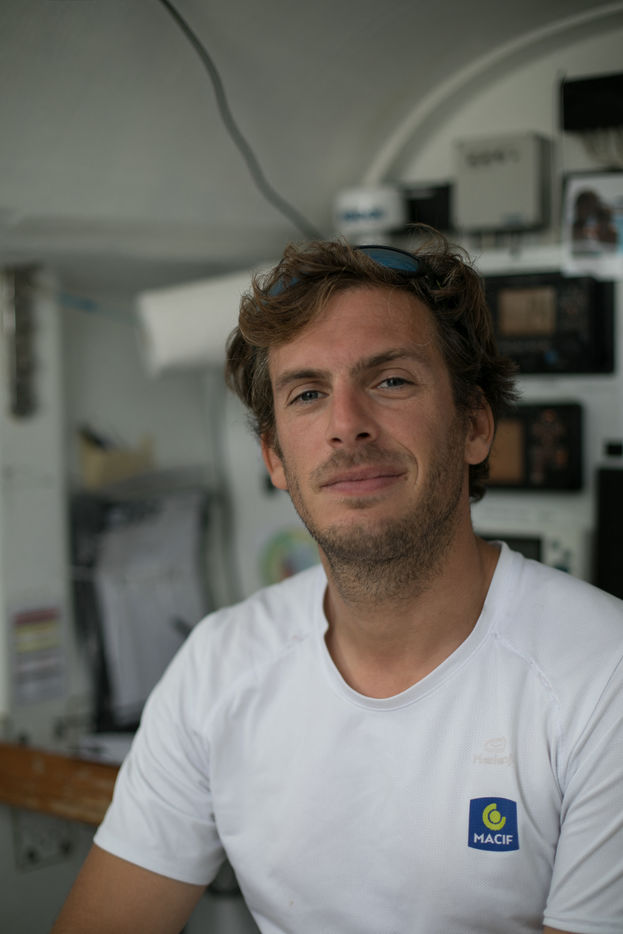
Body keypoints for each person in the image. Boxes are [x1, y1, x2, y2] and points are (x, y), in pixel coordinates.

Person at [52, 231, 623, 934]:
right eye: (307, 394)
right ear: (275, 458)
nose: (346, 426)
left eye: (390, 381)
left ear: (475, 425)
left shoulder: (603, 677)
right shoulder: (217, 667)